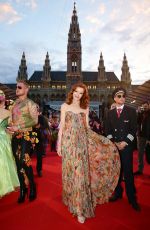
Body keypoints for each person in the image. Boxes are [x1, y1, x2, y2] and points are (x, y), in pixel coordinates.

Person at [57, 82, 120, 223]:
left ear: (83, 94)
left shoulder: (85, 108)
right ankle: (71, 199)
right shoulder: (64, 106)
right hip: (68, 144)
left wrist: (101, 140)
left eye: (81, 93)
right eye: (76, 92)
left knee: (80, 175)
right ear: (72, 92)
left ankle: (80, 209)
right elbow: (61, 128)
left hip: (81, 145)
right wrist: (59, 145)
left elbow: (87, 129)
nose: (78, 95)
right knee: (70, 173)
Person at [105, 87, 141, 211]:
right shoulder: (109, 113)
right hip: (114, 148)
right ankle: (118, 193)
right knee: (116, 172)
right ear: (114, 98)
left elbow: (133, 129)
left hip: (126, 147)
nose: (122, 98)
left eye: (123, 96)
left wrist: (125, 142)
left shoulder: (131, 111)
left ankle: (132, 198)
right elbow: (107, 130)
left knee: (128, 173)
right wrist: (114, 142)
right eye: (119, 96)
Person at [7, 80, 38, 203]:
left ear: (26, 89)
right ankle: (23, 189)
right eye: (16, 87)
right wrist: (9, 127)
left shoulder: (30, 103)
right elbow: (11, 119)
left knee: (25, 161)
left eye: (20, 87)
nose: (17, 89)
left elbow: (35, 120)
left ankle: (32, 187)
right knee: (18, 163)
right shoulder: (14, 104)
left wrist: (18, 127)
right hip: (15, 136)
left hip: (26, 135)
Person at [0, 90, 19, 198]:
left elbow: (12, 127)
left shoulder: (8, 112)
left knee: (3, 162)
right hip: (4, 138)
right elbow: (12, 128)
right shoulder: (8, 112)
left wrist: (10, 131)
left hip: (3, 139)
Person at [134, 101, 150, 175]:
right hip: (140, 136)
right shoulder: (141, 114)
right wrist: (139, 113)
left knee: (148, 154)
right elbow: (137, 122)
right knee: (140, 153)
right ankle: (140, 170)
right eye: (143, 106)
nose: (145, 107)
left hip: (148, 137)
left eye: (146, 106)